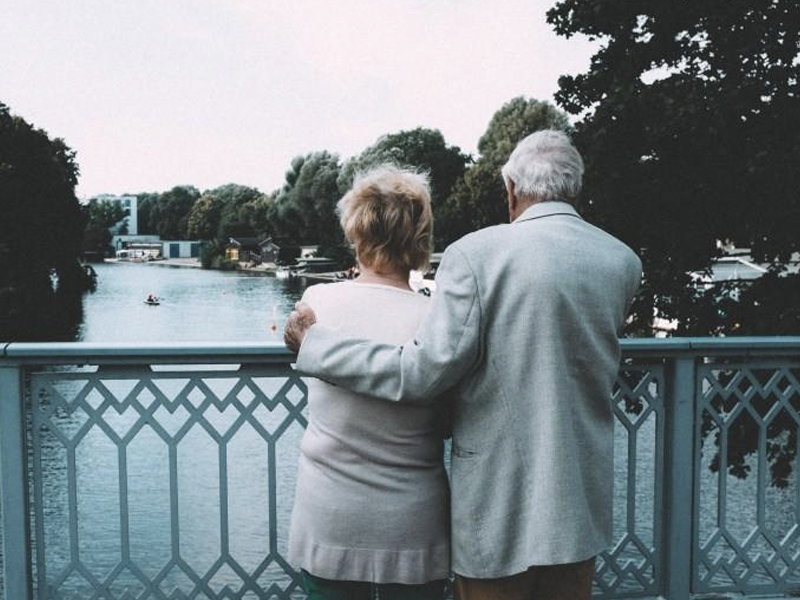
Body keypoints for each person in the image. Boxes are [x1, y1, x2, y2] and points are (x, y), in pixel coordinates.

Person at [285, 130, 643, 600]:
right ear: (576, 187)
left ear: (511, 189)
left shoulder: (476, 255)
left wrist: (314, 346)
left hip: (493, 500)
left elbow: (422, 372)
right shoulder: (621, 261)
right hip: (578, 496)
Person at [286, 165, 450, 600]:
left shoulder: (317, 303)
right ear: (419, 237)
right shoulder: (436, 318)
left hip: (331, 514)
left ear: (355, 231)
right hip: (412, 521)